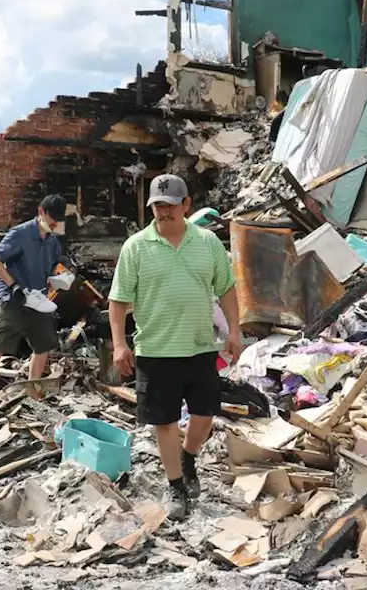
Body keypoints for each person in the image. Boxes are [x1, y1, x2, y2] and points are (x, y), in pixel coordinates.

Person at [108, 174, 242, 521]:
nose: (162, 212)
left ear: (186, 206)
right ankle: (176, 486)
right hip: (155, 351)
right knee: (164, 421)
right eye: (157, 206)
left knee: (204, 414)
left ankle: (189, 457)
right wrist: (120, 344)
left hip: (200, 346)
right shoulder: (136, 247)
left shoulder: (208, 243)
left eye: (169, 205)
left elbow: (226, 288)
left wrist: (235, 330)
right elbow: (119, 300)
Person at [0, 194, 67, 411]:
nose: (54, 222)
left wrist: (62, 274)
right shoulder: (20, 234)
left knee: (43, 345)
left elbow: (55, 264)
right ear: (41, 212)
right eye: (51, 217)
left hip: (37, 300)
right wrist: (13, 285)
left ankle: (32, 392)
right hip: (11, 299)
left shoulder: (52, 240)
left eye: (58, 219)